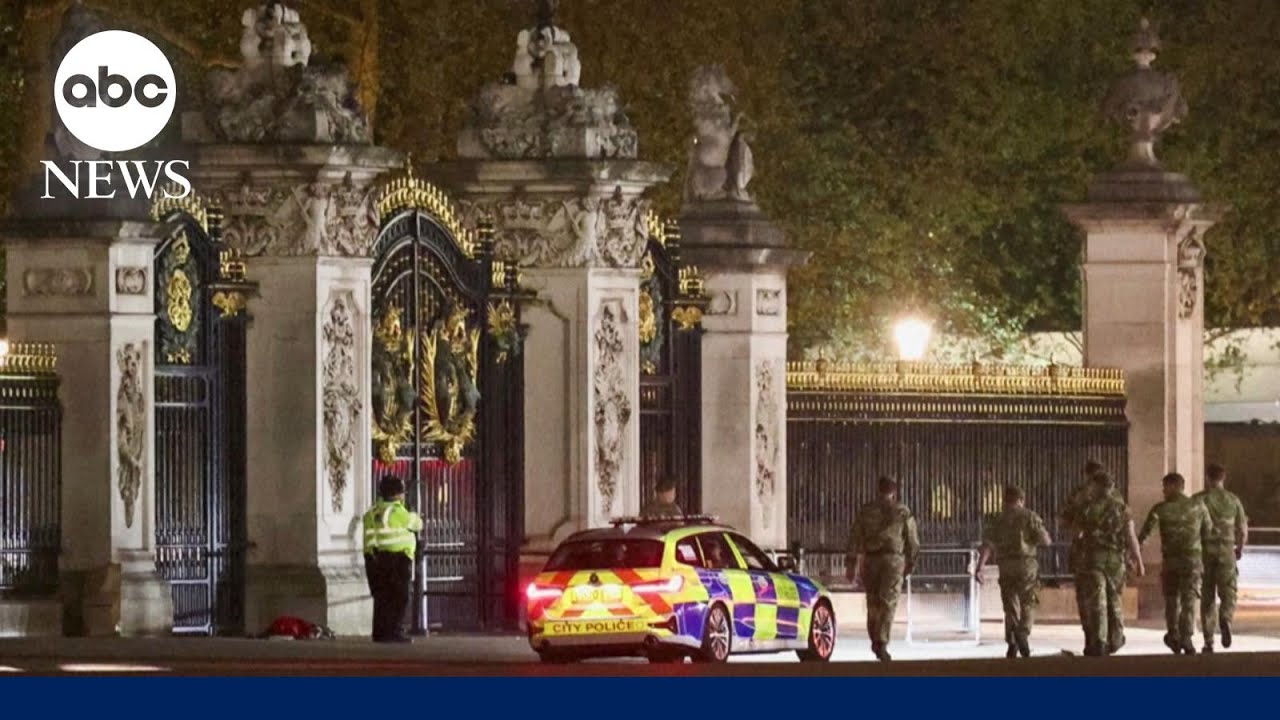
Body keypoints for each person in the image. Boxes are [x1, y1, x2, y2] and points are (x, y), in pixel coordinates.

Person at [846, 476, 920, 662]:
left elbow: (855, 537)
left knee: (872, 601)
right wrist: (911, 562)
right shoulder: (902, 511)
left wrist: (851, 563)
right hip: (893, 561)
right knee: (888, 602)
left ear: (878, 490)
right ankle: (882, 641)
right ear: (893, 493)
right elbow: (912, 540)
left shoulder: (866, 511)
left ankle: (875, 638)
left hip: (870, 560)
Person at [974, 486, 1052, 658]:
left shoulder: (997, 520)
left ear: (1004, 500)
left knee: (1010, 606)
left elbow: (987, 546)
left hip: (1005, 565)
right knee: (1028, 602)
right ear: (1021, 499)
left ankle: (1012, 643)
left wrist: (980, 568)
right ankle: (1023, 632)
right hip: (1026, 565)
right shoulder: (1029, 516)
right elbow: (1046, 540)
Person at [1138, 473, 1211, 655]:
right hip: (1192, 562)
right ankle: (1186, 637)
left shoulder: (1160, 509)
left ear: (1173, 486)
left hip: (1171, 562)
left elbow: (1145, 535)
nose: (1163, 491)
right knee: (1188, 601)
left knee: (1172, 600)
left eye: (1165, 487)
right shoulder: (1199, 506)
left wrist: (1134, 553)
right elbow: (1208, 531)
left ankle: (1173, 634)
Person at [1074, 471, 1145, 656]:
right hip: (1116, 561)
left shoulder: (1087, 507)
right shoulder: (1122, 508)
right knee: (1115, 599)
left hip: (1093, 559)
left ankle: (1100, 640)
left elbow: (1077, 532)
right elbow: (1131, 537)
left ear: (1096, 486)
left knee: (1098, 600)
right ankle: (1117, 637)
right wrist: (1139, 561)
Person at [362, 475, 424, 643]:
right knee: (399, 597)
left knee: (382, 598)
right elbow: (418, 524)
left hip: (376, 559)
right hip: (398, 560)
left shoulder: (371, 513)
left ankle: (380, 633)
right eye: (402, 493)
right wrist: (413, 512)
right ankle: (394, 631)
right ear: (396, 495)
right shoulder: (396, 511)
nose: (403, 496)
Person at [1194, 463, 1249, 652]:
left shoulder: (1199, 499)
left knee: (1207, 596)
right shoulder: (1233, 500)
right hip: (1226, 552)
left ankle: (1209, 641)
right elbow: (1242, 529)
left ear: (1207, 478)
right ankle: (1225, 618)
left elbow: (1192, 529)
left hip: (1205, 553)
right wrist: (1239, 549)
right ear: (1223, 478)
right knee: (1229, 592)